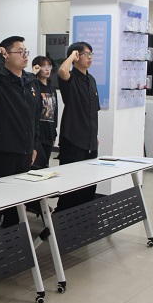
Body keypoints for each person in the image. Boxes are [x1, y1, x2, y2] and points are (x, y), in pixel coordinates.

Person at [0, 36, 40, 233]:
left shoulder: (31, 80)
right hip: (3, 150)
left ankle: (12, 239)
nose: (25, 55)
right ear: (6, 55)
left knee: (18, 201)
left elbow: (35, 116)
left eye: (26, 51)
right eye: (20, 52)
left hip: (25, 151)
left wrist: (34, 146)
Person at [56, 42, 100, 211]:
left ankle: (85, 216)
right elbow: (62, 71)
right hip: (73, 139)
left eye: (91, 54)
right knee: (71, 184)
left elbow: (93, 111)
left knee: (89, 183)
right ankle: (63, 217)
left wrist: (95, 134)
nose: (90, 57)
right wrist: (71, 57)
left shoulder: (91, 80)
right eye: (86, 54)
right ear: (75, 56)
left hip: (89, 140)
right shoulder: (70, 77)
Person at [31, 56, 58, 165]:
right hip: (38, 133)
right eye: (44, 66)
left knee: (45, 163)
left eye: (49, 66)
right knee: (38, 164)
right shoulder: (34, 86)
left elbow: (55, 111)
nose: (47, 69)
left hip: (49, 132)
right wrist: (33, 74)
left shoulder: (52, 88)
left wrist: (54, 132)